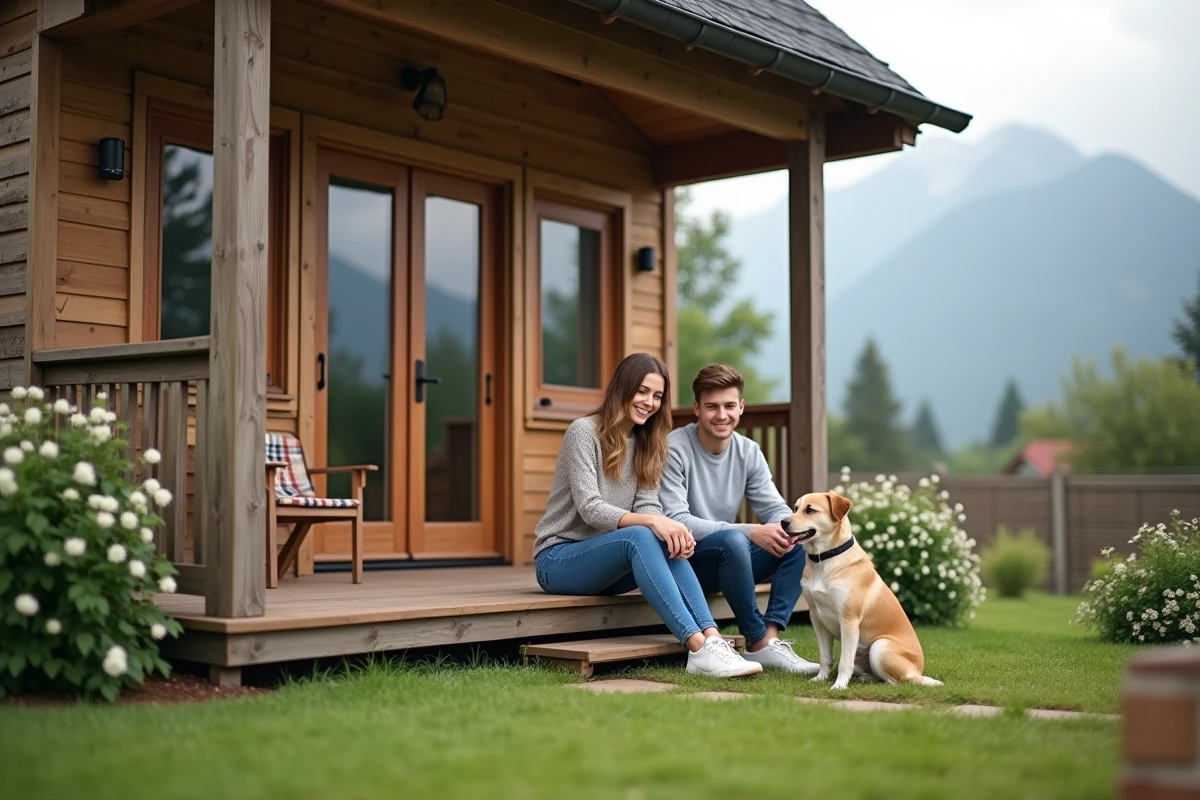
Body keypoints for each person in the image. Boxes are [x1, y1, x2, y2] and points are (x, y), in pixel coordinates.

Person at [532, 353, 763, 678]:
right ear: (622, 388)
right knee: (644, 533)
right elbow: (591, 508)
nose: (649, 402)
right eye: (642, 391)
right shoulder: (583, 432)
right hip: (559, 559)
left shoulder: (647, 442)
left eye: (657, 396)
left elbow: (647, 506)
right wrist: (655, 523)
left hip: (608, 565)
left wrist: (670, 530)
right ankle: (696, 646)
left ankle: (712, 639)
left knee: (662, 537)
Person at [658, 363, 820, 674]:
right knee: (734, 540)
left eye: (729, 405)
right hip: (687, 561)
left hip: (733, 559)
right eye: (712, 407)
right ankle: (755, 639)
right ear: (696, 408)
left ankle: (767, 642)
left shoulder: (749, 451)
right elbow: (677, 520)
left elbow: (774, 508)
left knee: (799, 539)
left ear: (741, 407)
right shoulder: (674, 448)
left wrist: (790, 529)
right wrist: (751, 530)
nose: (722, 415)